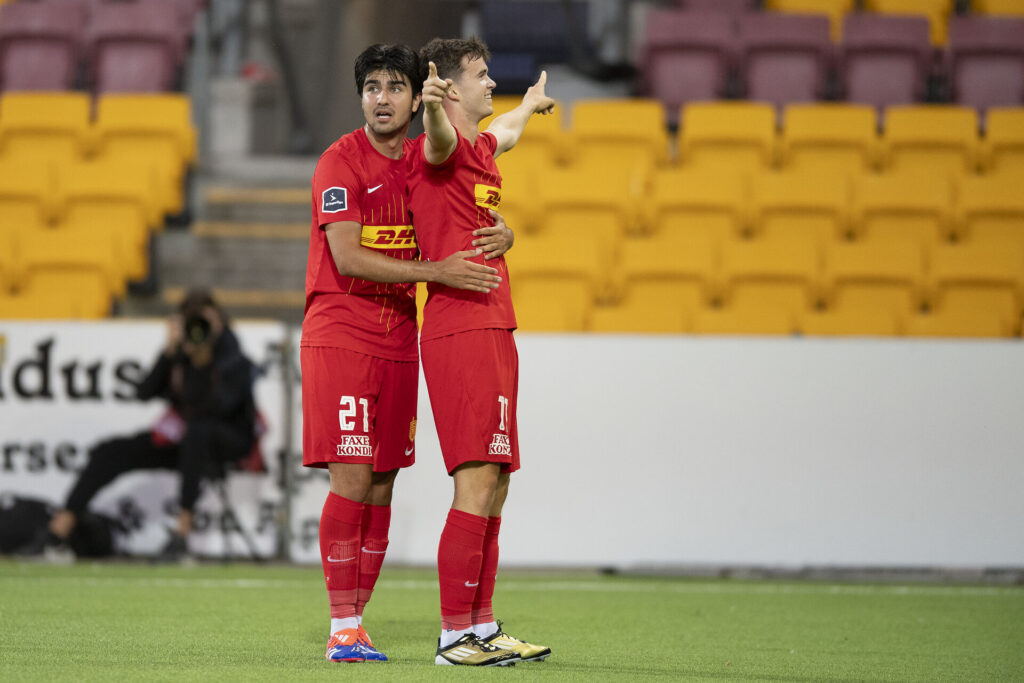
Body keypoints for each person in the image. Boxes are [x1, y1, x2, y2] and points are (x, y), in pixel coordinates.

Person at [301, 43, 515, 664]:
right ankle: (343, 626)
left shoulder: (425, 160)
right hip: (341, 330)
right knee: (352, 476)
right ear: (360, 96)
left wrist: (505, 230)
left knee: (384, 484)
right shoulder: (339, 161)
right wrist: (437, 271)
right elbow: (346, 257)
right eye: (372, 87)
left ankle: (358, 622)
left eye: (396, 87)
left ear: (415, 96)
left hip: (400, 336)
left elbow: (474, 189)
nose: (383, 98)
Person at [406, 37, 555, 667]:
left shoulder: (485, 148)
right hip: (459, 329)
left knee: (496, 483)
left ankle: (483, 625)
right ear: (451, 87)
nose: (493, 84)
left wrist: (531, 105)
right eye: (484, 77)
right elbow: (438, 138)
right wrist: (433, 106)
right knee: (475, 480)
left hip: (494, 326)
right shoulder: (438, 146)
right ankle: (452, 636)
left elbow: (510, 130)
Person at [42, 289, 257, 563]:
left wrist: (202, 360)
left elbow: (215, 408)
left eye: (204, 322)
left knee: (197, 432)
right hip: (185, 440)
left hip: (228, 438)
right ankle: (58, 532)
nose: (198, 329)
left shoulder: (234, 357)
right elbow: (144, 392)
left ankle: (182, 535)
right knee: (111, 451)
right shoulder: (179, 354)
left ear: (219, 322)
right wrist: (169, 352)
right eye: (192, 321)